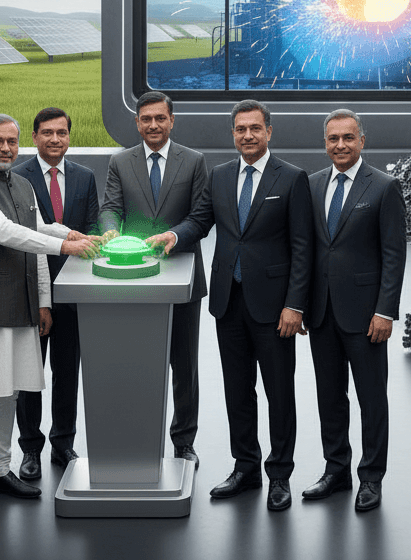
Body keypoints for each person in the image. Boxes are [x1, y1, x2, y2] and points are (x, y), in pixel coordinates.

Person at [148, 99, 311, 512]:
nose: (248, 136)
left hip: (275, 309)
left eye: (255, 128)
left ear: (269, 132)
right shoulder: (220, 176)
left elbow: (302, 247)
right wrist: (175, 236)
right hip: (228, 302)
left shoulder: (291, 179)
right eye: (240, 129)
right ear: (233, 133)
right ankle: (246, 468)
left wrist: (296, 304)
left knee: (279, 393)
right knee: (237, 392)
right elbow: (200, 221)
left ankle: (279, 475)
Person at [0, 113, 97, 514]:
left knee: (9, 392)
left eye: (11, 142)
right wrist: (65, 247)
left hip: (19, 303)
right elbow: (5, 231)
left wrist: (73, 235)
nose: (6, 149)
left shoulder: (23, 184)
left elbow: (39, 227)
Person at [302, 108, 407, 512]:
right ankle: (336, 471)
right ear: (325, 142)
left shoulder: (383, 187)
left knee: (371, 398)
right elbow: (308, 249)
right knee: (330, 396)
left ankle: (371, 477)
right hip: (322, 313)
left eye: (348, 138)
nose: (340, 145)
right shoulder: (310, 186)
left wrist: (386, 311)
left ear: (362, 140)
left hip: (366, 316)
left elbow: (394, 255)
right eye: (333, 139)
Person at [99, 91, 208, 469]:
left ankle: (184, 441)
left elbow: (201, 216)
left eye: (160, 118)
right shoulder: (120, 162)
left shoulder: (194, 161)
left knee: (185, 364)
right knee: (136, 362)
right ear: (137, 122)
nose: (153, 125)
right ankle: (136, 436)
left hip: (182, 274)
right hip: (134, 274)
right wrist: (111, 231)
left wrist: (174, 236)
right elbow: (111, 207)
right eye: (146, 119)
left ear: (172, 120)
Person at [12, 107, 100, 480]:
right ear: (34, 137)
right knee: (29, 373)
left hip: (75, 293)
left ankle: (63, 443)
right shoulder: (16, 179)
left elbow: (93, 229)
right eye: (47, 133)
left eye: (61, 133)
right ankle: (30, 448)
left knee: (67, 371)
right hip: (30, 291)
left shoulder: (85, 177)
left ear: (69, 136)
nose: (54, 139)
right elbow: (18, 239)